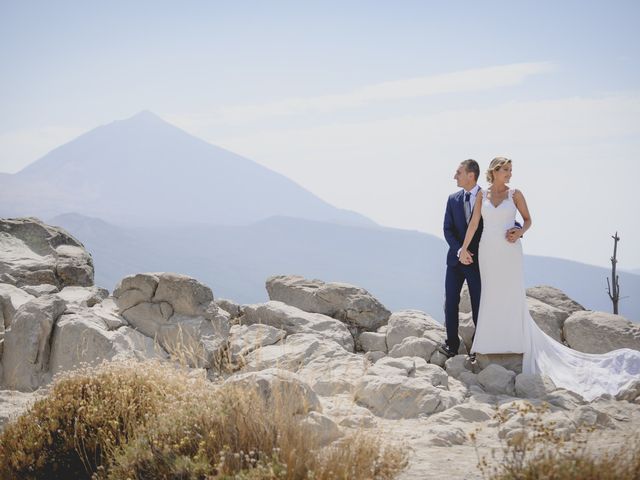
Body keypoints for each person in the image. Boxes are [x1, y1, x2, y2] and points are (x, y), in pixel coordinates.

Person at [459, 157, 640, 400]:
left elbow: (528, 220)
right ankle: (489, 344)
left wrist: (520, 231)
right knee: (490, 294)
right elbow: (473, 223)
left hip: (510, 251)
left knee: (511, 293)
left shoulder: (516, 194)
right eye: (506, 170)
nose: (510, 174)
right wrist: (463, 249)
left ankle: (515, 342)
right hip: (488, 250)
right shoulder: (483, 195)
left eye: (511, 170)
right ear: (495, 171)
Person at [439, 159, 483, 359]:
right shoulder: (452, 199)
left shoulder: (487, 197)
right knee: (450, 302)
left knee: (478, 305)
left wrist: (517, 228)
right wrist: (460, 251)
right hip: (456, 261)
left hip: (478, 261)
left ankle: (478, 346)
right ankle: (451, 345)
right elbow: (447, 229)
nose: (454, 176)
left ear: (470, 175)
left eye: (458, 172)